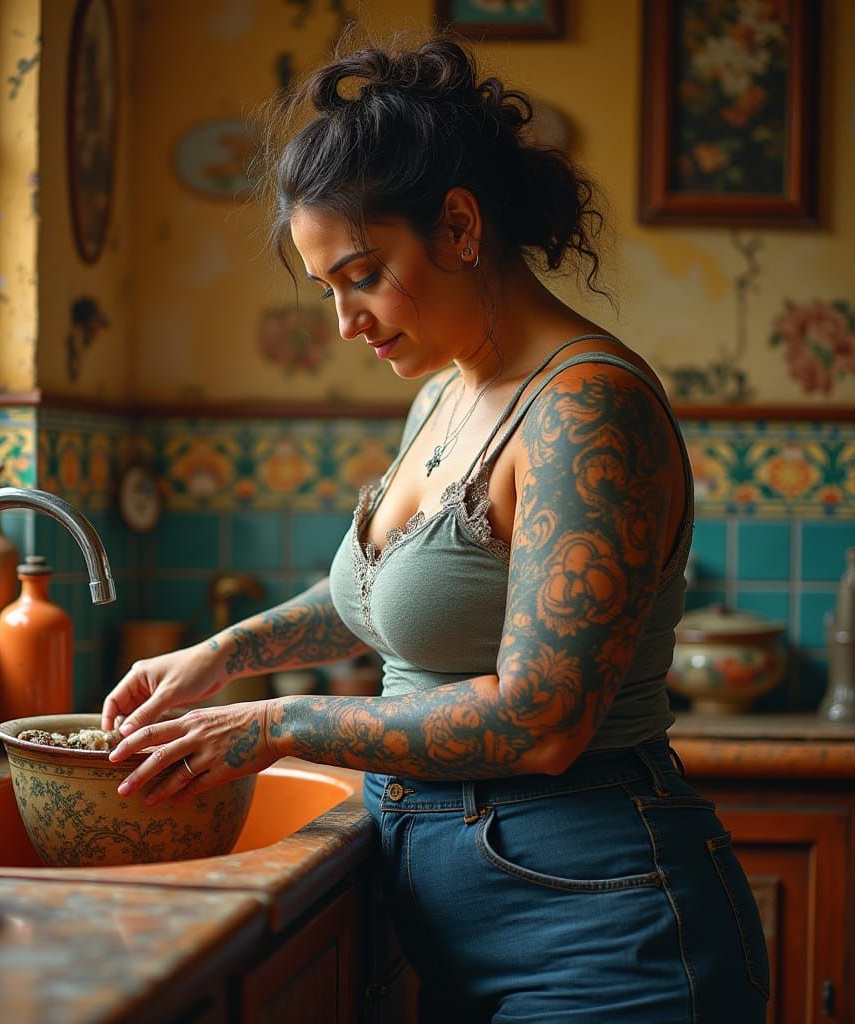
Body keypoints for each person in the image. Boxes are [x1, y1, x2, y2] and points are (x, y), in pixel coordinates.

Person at [102, 33, 769, 1023]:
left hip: (605, 938)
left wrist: (276, 723)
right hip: (469, 920)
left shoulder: (585, 410)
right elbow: (383, 598)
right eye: (328, 288)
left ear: (458, 225)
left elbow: (542, 721)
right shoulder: (446, 394)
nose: (346, 322)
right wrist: (222, 655)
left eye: (364, 274)